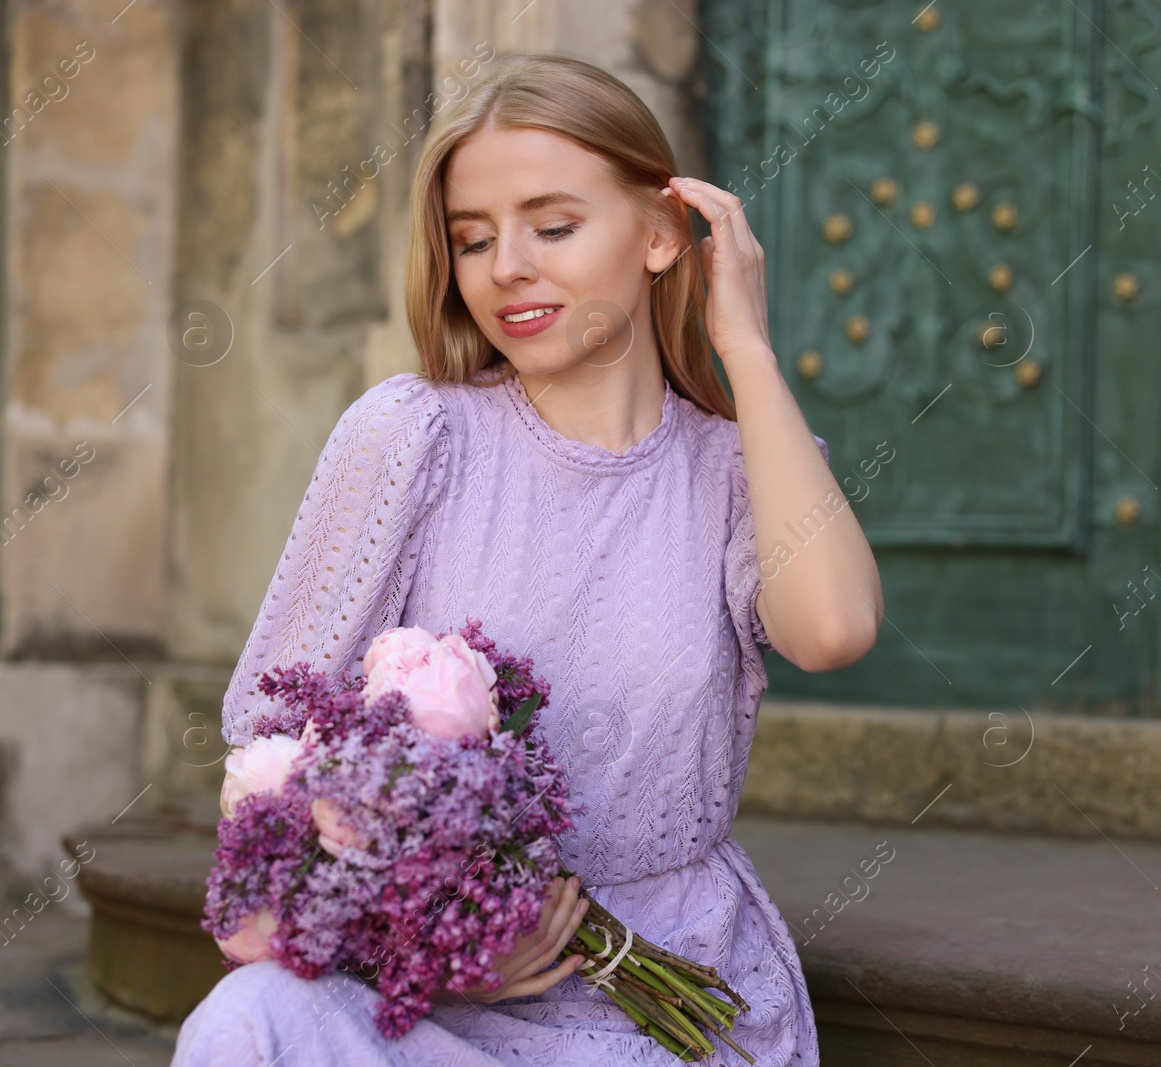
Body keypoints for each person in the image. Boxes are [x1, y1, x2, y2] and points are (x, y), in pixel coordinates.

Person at [172, 52, 882, 1066]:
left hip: (656, 980)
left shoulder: (738, 471)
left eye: (552, 226)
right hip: (419, 990)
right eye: (473, 239)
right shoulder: (411, 437)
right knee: (244, 1027)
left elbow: (834, 629)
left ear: (659, 233)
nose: (506, 265)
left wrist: (748, 349)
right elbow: (269, 745)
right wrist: (430, 939)